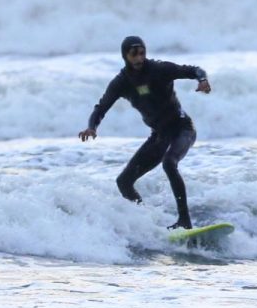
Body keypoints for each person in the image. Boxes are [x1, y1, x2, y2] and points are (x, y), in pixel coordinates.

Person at [79, 36, 211, 230]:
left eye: (142, 53)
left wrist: (203, 80)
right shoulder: (121, 82)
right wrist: (92, 127)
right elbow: (101, 107)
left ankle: (185, 221)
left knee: (169, 163)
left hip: (182, 128)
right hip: (159, 135)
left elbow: (193, 70)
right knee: (124, 182)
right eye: (134, 54)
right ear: (125, 55)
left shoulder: (159, 69)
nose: (139, 58)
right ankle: (147, 223)